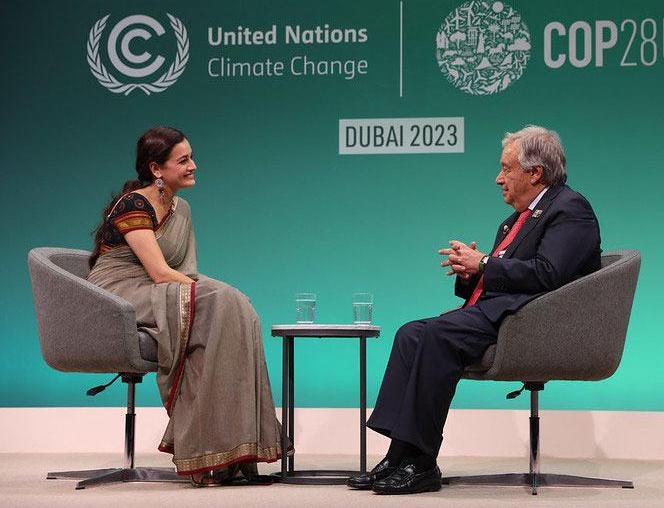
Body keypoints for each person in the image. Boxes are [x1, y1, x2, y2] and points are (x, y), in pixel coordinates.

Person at [348, 125, 602, 494]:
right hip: (497, 311)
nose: (499, 178)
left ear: (535, 173)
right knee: (410, 333)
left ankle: (421, 463)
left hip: (529, 320)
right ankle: (399, 453)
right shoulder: (514, 219)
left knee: (434, 335)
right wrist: (470, 273)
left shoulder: (570, 209)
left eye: (507, 169)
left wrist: (483, 263)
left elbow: (548, 274)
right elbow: (503, 277)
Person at [87, 126, 290, 486]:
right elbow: (160, 273)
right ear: (156, 169)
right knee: (223, 300)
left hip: (158, 286)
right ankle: (200, 456)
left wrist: (229, 297)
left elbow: (185, 272)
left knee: (237, 307)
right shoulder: (134, 204)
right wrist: (220, 294)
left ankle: (228, 453)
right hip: (119, 294)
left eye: (192, 157)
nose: (193, 165)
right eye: (183, 160)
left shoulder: (181, 209)